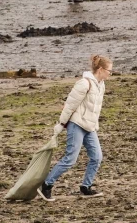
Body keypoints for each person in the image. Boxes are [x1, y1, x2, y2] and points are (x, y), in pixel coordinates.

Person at [38, 55, 112, 202]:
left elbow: (95, 109)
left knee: (97, 157)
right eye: (110, 70)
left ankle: (86, 187)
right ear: (101, 69)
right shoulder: (84, 84)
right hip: (76, 124)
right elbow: (70, 105)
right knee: (70, 159)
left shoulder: (101, 84)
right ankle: (46, 185)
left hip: (90, 126)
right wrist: (60, 124)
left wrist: (94, 125)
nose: (111, 73)